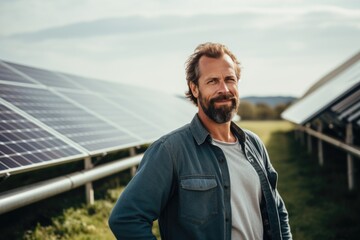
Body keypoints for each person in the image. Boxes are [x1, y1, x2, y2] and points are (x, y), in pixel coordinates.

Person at [109, 42, 292, 240]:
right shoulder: (171, 151)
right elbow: (126, 219)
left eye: (230, 79)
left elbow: (277, 210)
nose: (224, 89)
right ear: (194, 89)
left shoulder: (254, 144)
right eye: (212, 81)